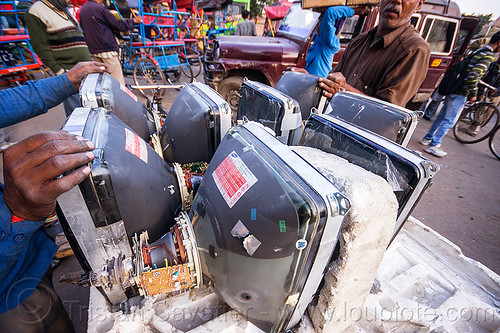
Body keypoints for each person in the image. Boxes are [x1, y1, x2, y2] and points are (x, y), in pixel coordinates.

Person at [0, 62, 107, 331]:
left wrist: (65, 83)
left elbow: (4, 102)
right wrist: (18, 214)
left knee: (48, 304)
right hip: (6, 294)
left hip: (22, 254)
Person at [318, 0, 431, 107]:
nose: (396, 0)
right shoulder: (360, 41)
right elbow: (330, 83)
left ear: (418, 4)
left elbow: (388, 112)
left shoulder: (414, 49)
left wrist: (343, 91)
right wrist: (307, 78)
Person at [420, 32, 500, 157]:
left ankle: (427, 138)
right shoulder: (488, 56)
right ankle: (434, 144)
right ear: (498, 43)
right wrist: (473, 93)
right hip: (460, 91)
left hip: (454, 87)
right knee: (450, 120)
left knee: (442, 117)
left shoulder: (479, 51)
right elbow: (473, 76)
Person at [25, 0, 92, 116]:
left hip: (85, 68)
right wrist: (59, 71)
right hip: (69, 72)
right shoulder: (36, 11)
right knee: (78, 115)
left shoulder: (63, 9)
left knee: (90, 111)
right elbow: (40, 46)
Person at [79, 0, 142, 85]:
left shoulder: (84, 9)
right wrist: (134, 21)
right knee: (117, 80)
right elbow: (119, 25)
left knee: (101, 78)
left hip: (93, 48)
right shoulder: (99, 9)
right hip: (106, 47)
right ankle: (119, 97)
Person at [305, 6, 359, 77]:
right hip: (309, 81)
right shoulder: (318, 39)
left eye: (322, 22)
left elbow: (331, 12)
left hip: (318, 84)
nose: (319, 25)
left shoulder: (328, 42)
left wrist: (354, 10)